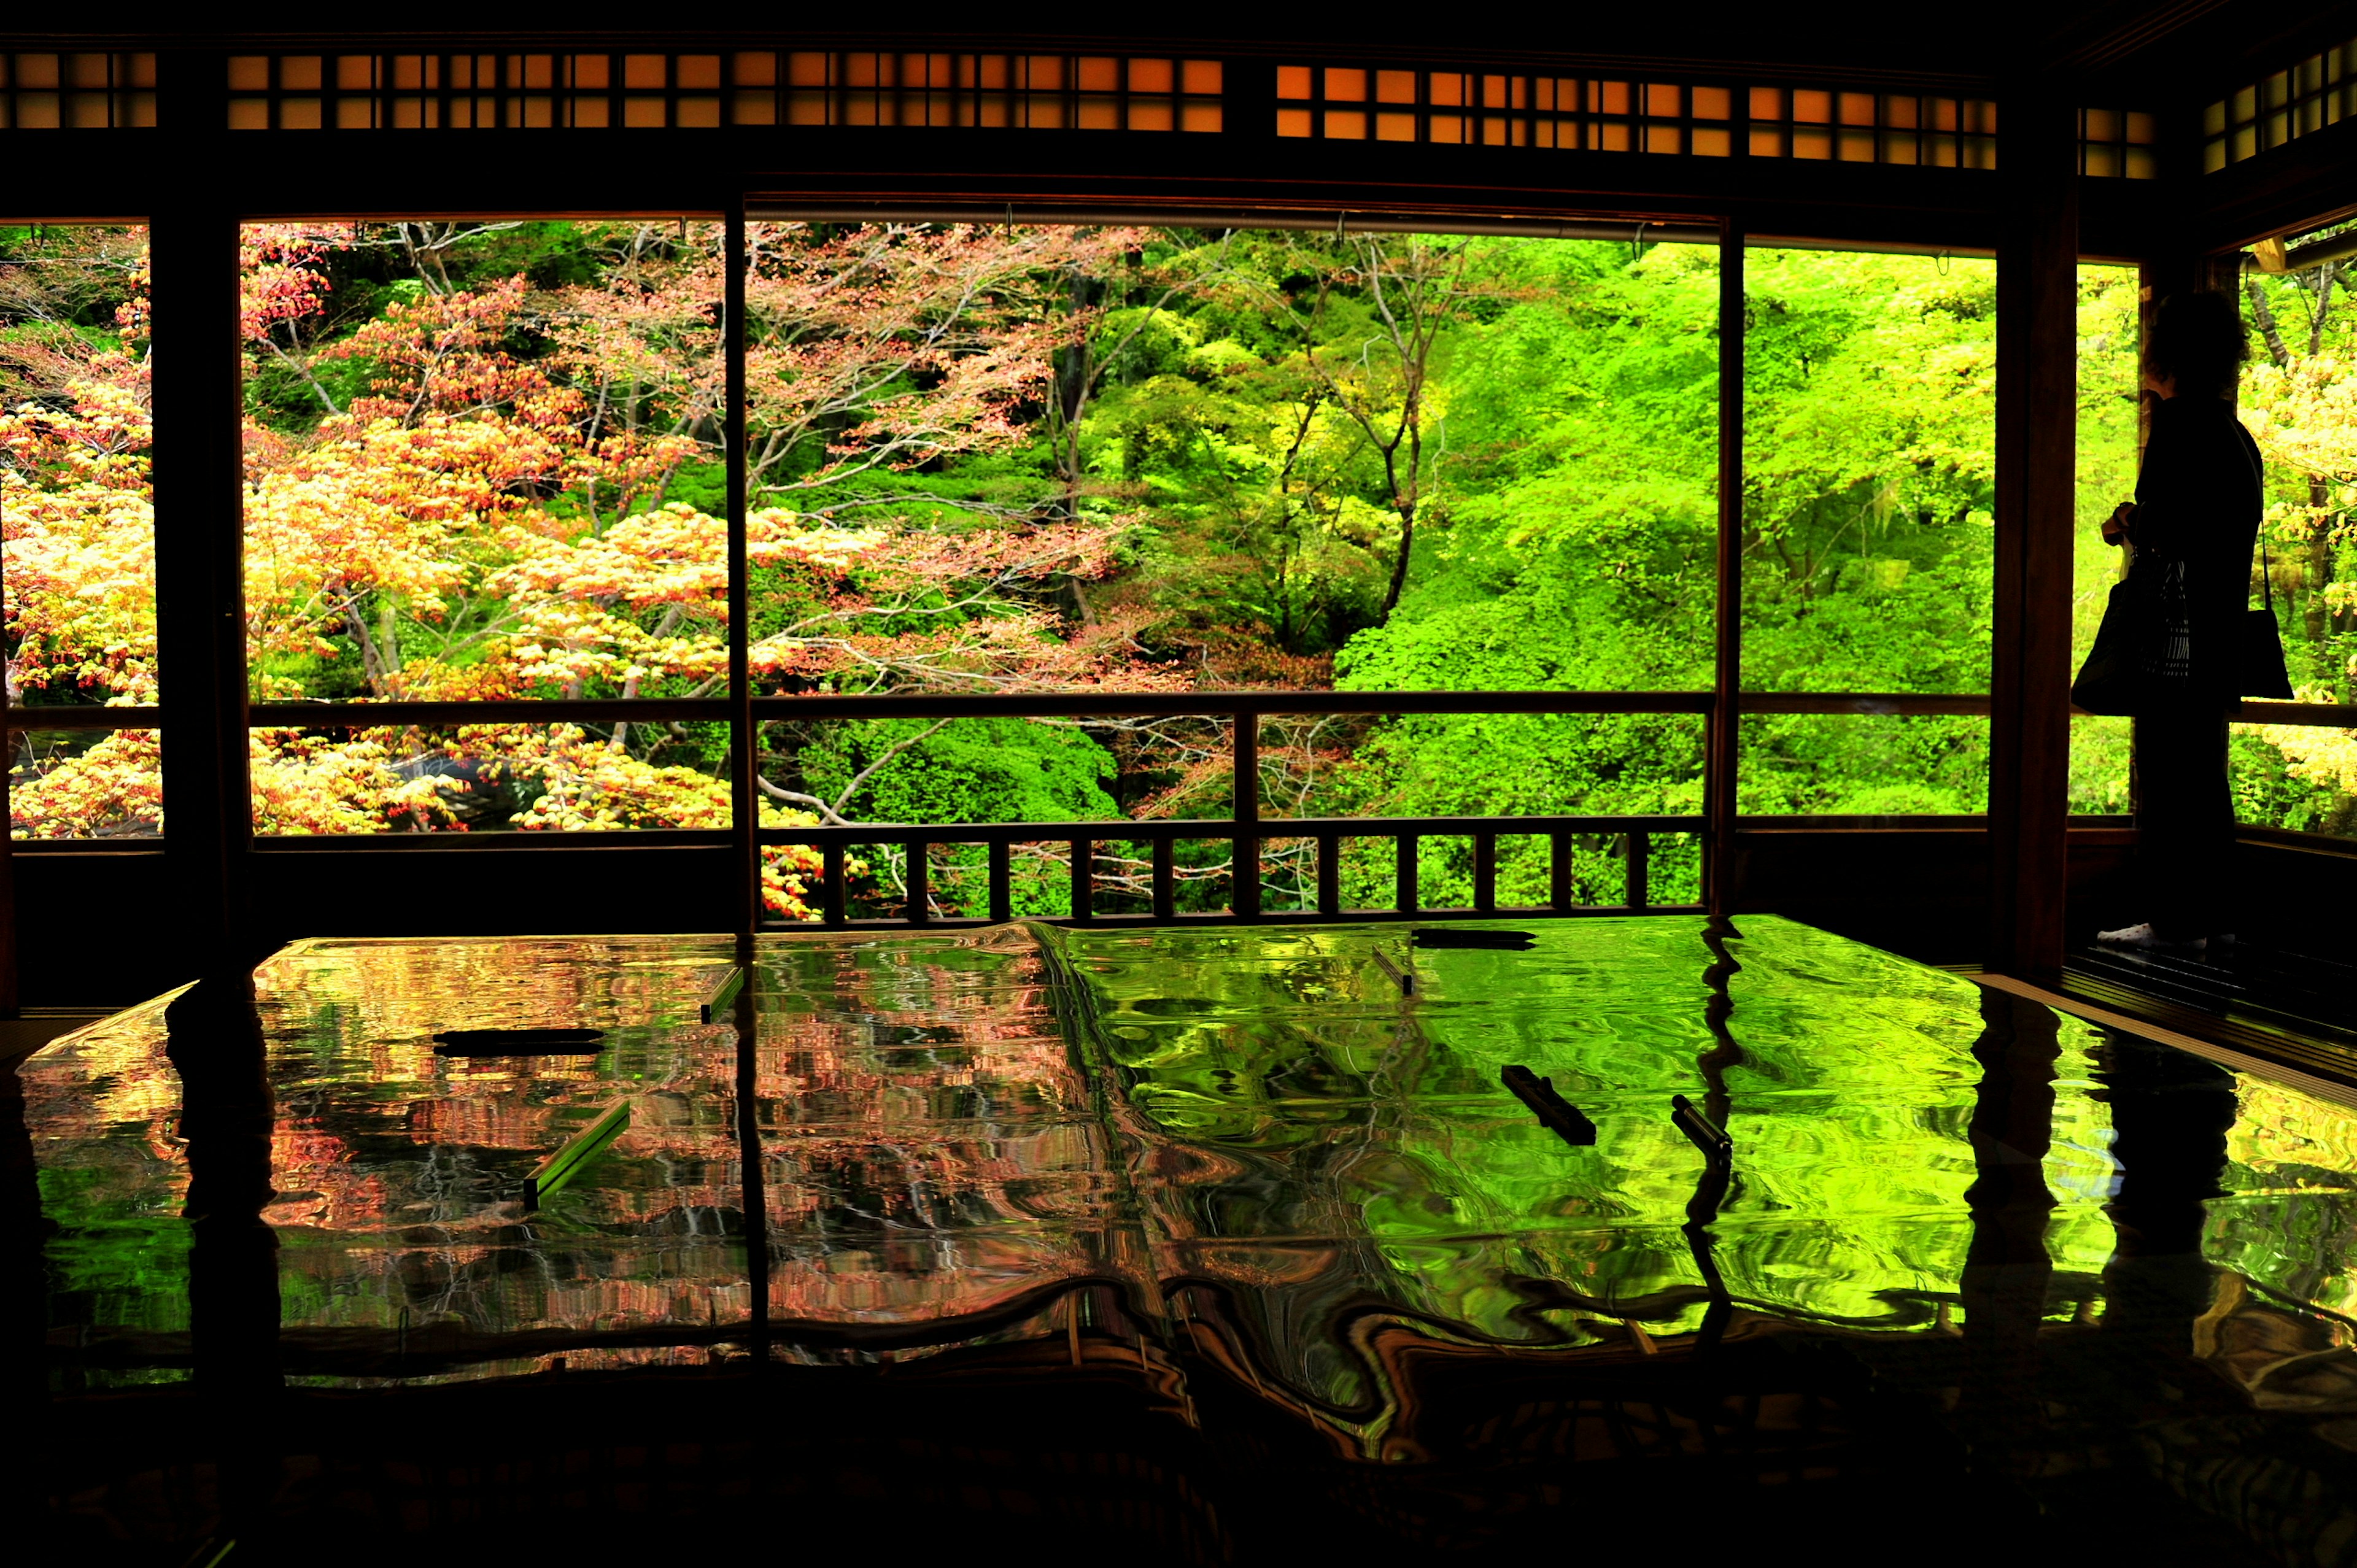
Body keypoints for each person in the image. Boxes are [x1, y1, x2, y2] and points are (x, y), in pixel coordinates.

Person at [2095, 290, 2263, 955]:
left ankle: (2172, 921)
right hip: (2218, 632)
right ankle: (2213, 915)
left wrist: (2128, 521)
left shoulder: (2178, 426)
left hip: (2174, 637)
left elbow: (2166, 531)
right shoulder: (2234, 432)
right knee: (2203, 776)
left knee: (2168, 776)